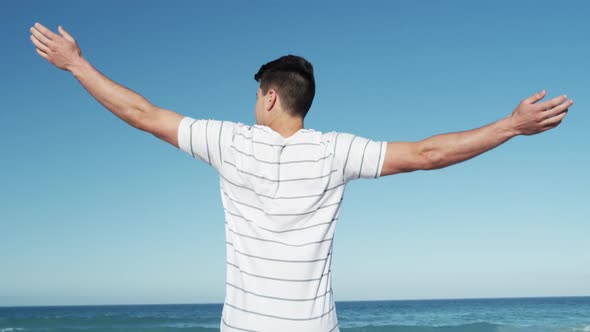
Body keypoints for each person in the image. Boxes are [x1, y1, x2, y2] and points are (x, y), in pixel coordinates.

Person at [29, 22, 573, 332]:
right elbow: (429, 153)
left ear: (269, 96)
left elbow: (142, 114)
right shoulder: (336, 152)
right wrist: (511, 126)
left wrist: (77, 65)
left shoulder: (228, 141)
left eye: (255, 95)